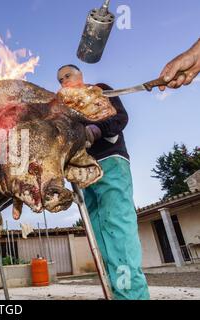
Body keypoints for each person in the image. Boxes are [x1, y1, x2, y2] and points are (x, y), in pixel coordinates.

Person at [57, 65, 150, 300]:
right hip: (83, 173)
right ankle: (118, 293)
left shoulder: (100, 91)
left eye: (67, 76)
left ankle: (132, 296)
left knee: (117, 228)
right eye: (59, 80)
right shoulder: (63, 108)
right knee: (99, 234)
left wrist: (95, 130)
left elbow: (120, 118)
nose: (63, 82)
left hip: (109, 163)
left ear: (80, 76)